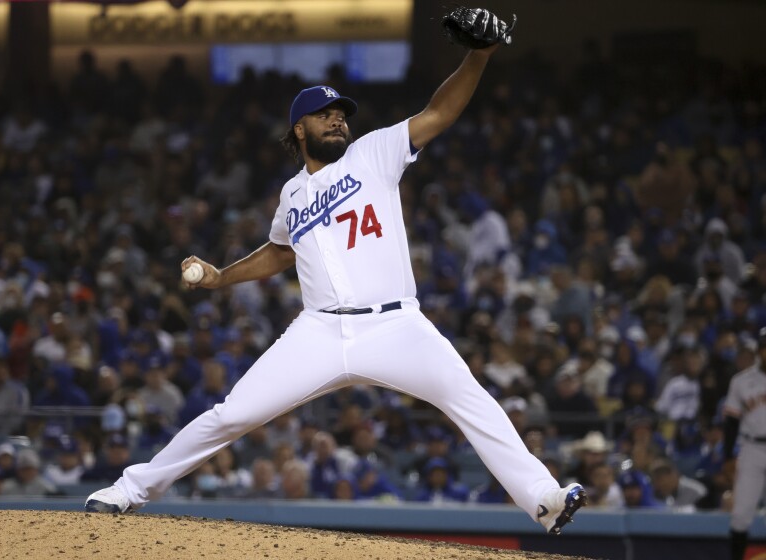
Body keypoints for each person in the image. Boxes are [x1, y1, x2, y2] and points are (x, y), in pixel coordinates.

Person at [85, 16, 586, 534]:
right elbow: (281, 252)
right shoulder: (291, 195)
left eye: (340, 114)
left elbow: (440, 112)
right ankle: (130, 489)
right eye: (323, 115)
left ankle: (543, 498)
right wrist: (220, 279)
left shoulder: (375, 152)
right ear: (299, 129)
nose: (337, 120)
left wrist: (478, 55)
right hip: (320, 331)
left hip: (396, 327)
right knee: (231, 415)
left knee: (470, 399)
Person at [723, 327, 766, 560]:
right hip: (752, 448)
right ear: (759, 350)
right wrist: (728, 456)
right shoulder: (741, 381)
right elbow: (731, 422)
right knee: (740, 515)